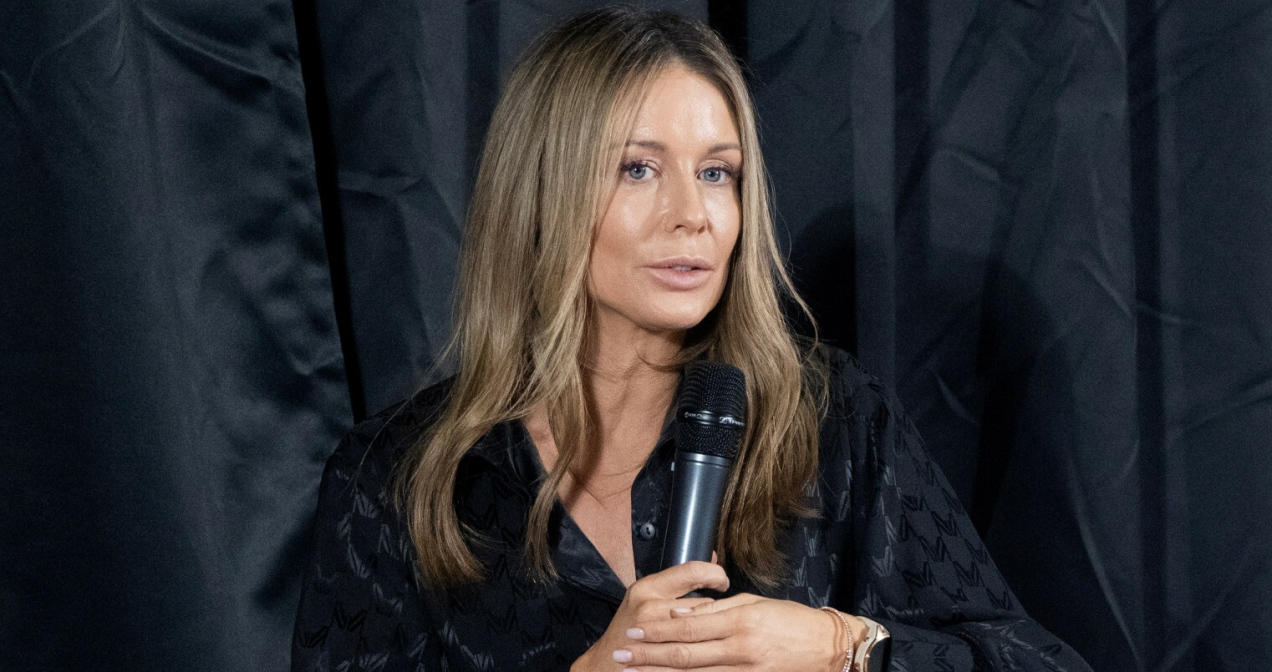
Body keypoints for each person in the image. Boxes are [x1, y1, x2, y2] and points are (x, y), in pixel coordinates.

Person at [291, 7, 1092, 672]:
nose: (693, 215)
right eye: (638, 169)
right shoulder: (398, 478)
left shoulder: (834, 420)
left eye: (717, 173)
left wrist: (840, 647)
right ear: (541, 195)